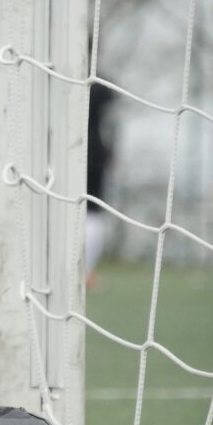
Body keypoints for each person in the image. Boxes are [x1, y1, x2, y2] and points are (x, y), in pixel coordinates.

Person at [86, 83, 115, 290]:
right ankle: (85, 272)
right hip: (92, 154)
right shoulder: (98, 88)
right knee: (92, 213)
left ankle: (85, 271)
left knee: (89, 212)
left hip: (86, 151)